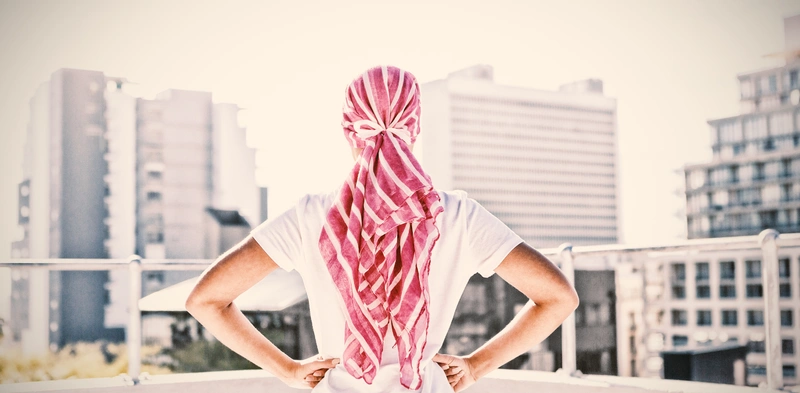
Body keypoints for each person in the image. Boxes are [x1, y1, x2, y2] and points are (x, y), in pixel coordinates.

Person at [185, 65, 579, 392]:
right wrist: (476, 365)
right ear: (415, 127)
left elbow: (206, 300)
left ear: (347, 129)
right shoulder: (460, 215)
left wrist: (287, 369)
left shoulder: (309, 215)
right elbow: (558, 297)